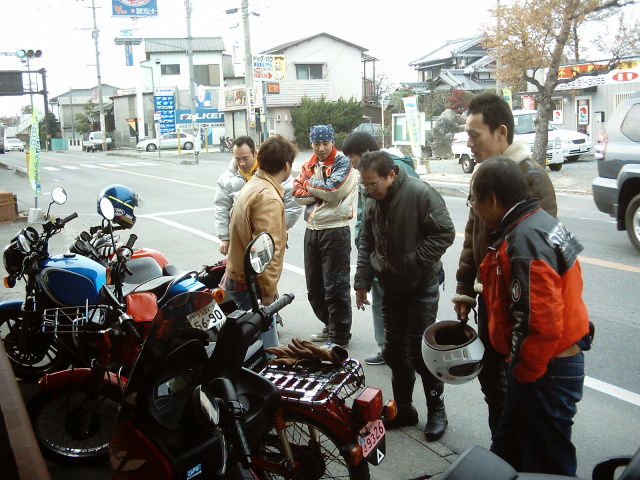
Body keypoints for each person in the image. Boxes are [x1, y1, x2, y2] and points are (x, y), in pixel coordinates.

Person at [471, 157, 590, 476]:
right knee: (506, 452)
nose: (474, 209)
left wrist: (523, 373)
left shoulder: (524, 239)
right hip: (537, 365)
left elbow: (541, 323)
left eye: (473, 200)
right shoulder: (540, 221)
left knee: (548, 465)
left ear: (491, 199)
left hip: (544, 369)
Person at [452, 92, 558, 436]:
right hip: (489, 297)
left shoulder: (532, 177)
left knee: (517, 385)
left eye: (474, 135)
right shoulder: (484, 173)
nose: (468, 143)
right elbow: (472, 235)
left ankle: (514, 449)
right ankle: (503, 446)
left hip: (517, 305)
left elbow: (541, 256)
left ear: (501, 133)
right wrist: (465, 289)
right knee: (490, 380)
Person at [353, 151, 455, 441]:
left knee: (420, 351)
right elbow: (366, 242)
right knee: (394, 350)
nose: (369, 190)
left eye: (374, 184)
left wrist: (414, 262)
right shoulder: (372, 200)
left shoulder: (420, 194)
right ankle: (404, 409)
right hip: (390, 286)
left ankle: (437, 411)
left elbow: (444, 233)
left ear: (391, 175)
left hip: (421, 284)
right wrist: (361, 282)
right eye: (365, 185)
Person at [342, 132, 419, 365]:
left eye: (353, 159)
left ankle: (409, 351)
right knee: (381, 303)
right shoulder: (368, 177)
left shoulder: (403, 176)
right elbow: (365, 219)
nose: (352, 165)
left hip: (403, 261)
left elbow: (435, 229)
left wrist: (415, 259)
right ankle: (388, 348)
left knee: (407, 308)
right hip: (379, 255)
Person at [220, 135, 297, 349]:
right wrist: (268, 291)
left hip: (238, 274)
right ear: (286, 165)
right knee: (266, 347)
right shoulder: (268, 197)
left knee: (248, 341)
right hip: (251, 282)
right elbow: (265, 251)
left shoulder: (254, 184)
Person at [293, 124, 358, 348]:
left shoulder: (342, 162)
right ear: (311, 143)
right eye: (316, 143)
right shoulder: (309, 163)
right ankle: (329, 325)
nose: (321, 148)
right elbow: (296, 194)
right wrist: (319, 190)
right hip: (312, 229)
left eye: (325, 143)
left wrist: (309, 183)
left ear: (332, 142)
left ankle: (340, 336)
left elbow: (334, 190)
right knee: (315, 286)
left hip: (335, 229)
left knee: (336, 286)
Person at [214, 135, 302, 255]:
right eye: (237, 159)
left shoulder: (272, 171)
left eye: (245, 158)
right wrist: (224, 237)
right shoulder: (226, 180)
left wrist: (277, 230)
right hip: (241, 238)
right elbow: (221, 208)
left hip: (268, 239)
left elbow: (292, 206)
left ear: (255, 153)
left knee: (266, 265)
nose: (242, 163)